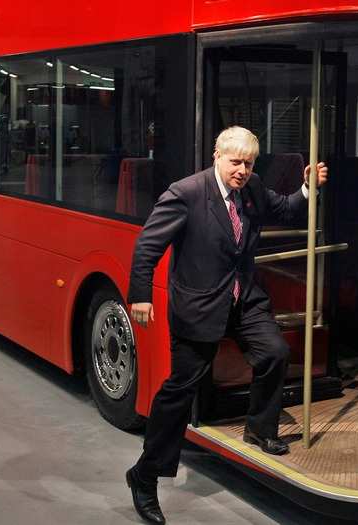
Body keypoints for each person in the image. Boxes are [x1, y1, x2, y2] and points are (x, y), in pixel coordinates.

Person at [125, 126, 328, 524]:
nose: (242, 171)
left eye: (249, 164)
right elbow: (148, 244)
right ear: (217, 155)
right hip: (200, 305)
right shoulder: (185, 193)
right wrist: (141, 294)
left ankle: (259, 428)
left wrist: (307, 189)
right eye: (235, 162)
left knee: (274, 352)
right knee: (179, 393)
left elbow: (286, 209)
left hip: (243, 298)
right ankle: (144, 476)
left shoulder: (251, 188)